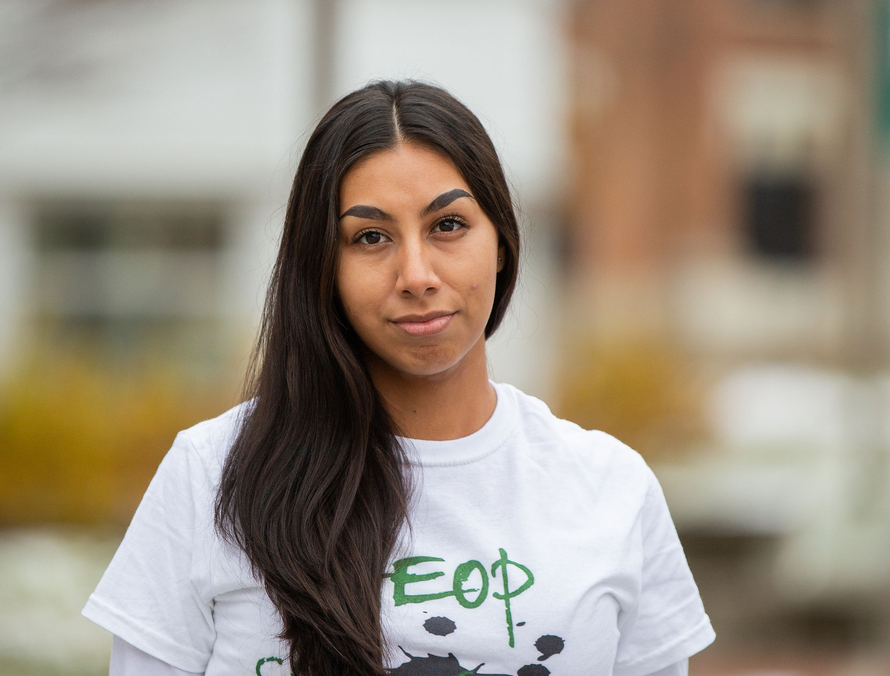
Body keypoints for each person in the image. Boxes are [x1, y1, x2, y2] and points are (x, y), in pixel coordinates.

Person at [82, 80, 715, 676]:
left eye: (448, 225)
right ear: (322, 266)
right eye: (371, 237)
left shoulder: (611, 487)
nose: (416, 274)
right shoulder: (212, 473)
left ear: (500, 243)